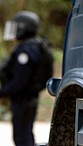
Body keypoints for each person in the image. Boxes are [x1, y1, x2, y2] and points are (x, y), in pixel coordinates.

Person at [0, 11, 50, 146]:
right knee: (25, 133)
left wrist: (3, 92)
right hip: (28, 98)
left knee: (22, 137)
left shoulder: (27, 49)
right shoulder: (35, 44)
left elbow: (20, 80)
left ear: (24, 27)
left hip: (23, 99)